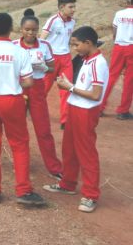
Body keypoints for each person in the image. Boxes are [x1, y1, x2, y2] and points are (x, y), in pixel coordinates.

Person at [0, 13, 45, 206]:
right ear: (11, 29)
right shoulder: (19, 51)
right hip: (12, 101)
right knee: (19, 145)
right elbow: (29, 81)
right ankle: (23, 190)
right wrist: (12, 80)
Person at [44, 26, 109, 213]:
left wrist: (70, 87)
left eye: (76, 45)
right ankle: (68, 183)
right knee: (69, 149)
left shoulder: (98, 63)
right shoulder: (85, 59)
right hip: (75, 107)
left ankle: (90, 195)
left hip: (86, 112)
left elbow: (96, 95)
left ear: (88, 43)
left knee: (86, 152)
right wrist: (69, 86)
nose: (74, 48)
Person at [15, 9, 63, 179]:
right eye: (27, 29)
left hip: (37, 87)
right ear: (21, 29)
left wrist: (43, 67)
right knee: (18, 129)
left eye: (34, 30)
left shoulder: (45, 45)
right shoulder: (14, 46)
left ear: (38, 29)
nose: (31, 33)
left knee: (43, 128)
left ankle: (54, 166)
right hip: (19, 87)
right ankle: (21, 162)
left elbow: (51, 68)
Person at [41, 0, 77, 126]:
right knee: (43, 88)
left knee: (66, 88)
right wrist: (42, 57)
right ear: (62, 7)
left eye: (74, 7)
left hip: (66, 58)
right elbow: (42, 39)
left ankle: (65, 120)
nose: (74, 9)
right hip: (51, 58)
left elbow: (68, 39)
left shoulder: (73, 22)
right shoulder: (52, 21)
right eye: (71, 7)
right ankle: (31, 109)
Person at [101, 0, 133, 120]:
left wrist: (118, 40)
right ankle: (123, 110)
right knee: (129, 80)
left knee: (111, 76)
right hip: (132, 47)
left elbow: (114, 31)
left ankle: (99, 107)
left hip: (119, 47)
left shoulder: (119, 13)